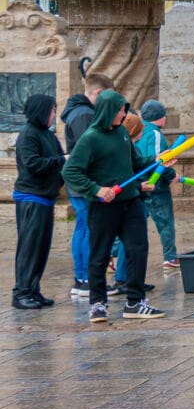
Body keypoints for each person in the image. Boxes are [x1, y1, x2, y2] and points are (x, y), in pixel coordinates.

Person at [61, 89, 164, 321]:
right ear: (108, 111)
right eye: (119, 110)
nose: (123, 114)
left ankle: (135, 302)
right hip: (103, 207)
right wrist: (96, 190)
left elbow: (136, 163)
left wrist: (158, 161)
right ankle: (97, 303)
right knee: (100, 254)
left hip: (130, 203)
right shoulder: (90, 138)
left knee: (138, 249)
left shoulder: (122, 134)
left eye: (124, 109)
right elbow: (70, 171)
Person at [61, 73, 112, 302]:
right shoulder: (83, 115)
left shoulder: (81, 112)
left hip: (83, 182)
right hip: (84, 183)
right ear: (99, 93)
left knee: (85, 227)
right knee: (86, 228)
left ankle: (86, 278)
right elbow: (90, 149)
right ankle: (84, 279)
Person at [13, 94, 63, 309]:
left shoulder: (48, 136)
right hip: (31, 198)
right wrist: (62, 161)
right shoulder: (28, 135)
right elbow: (32, 164)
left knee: (41, 248)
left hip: (46, 198)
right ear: (41, 111)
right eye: (52, 110)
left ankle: (34, 289)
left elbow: (61, 160)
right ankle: (21, 292)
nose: (54, 115)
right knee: (29, 247)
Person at [136, 100, 178, 271]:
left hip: (138, 185)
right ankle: (170, 257)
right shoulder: (155, 134)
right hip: (155, 187)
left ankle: (112, 253)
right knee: (165, 222)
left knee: (135, 222)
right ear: (161, 118)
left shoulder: (138, 130)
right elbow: (160, 161)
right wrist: (171, 175)